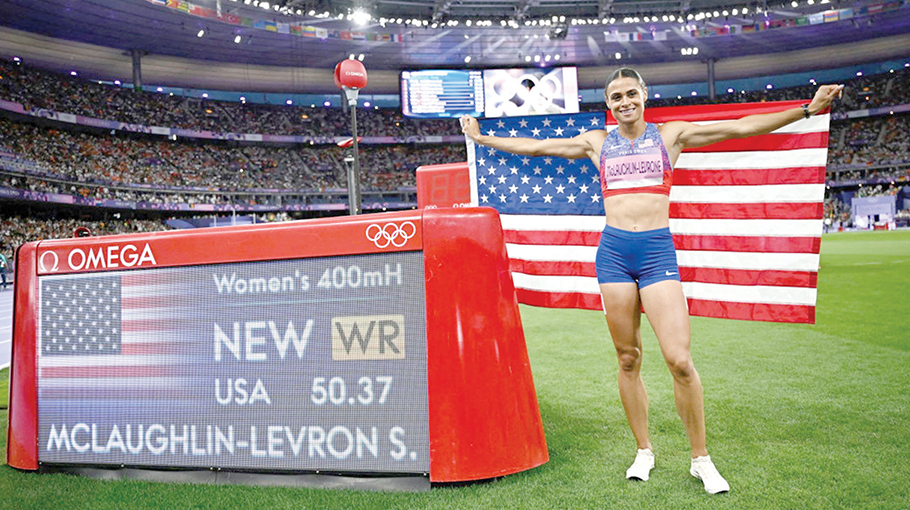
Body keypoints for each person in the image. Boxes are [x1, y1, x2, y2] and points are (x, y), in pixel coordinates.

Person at [461, 67, 843, 494]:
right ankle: (644, 449)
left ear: (644, 94)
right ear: (607, 105)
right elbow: (535, 148)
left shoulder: (670, 136)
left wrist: (808, 110)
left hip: (657, 253)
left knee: (679, 360)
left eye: (630, 93)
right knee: (628, 359)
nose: (624, 102)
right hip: (614, 257)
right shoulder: (597, 141)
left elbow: (739, 128)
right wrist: (482, 139)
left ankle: (701, 459)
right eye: (615, 97)